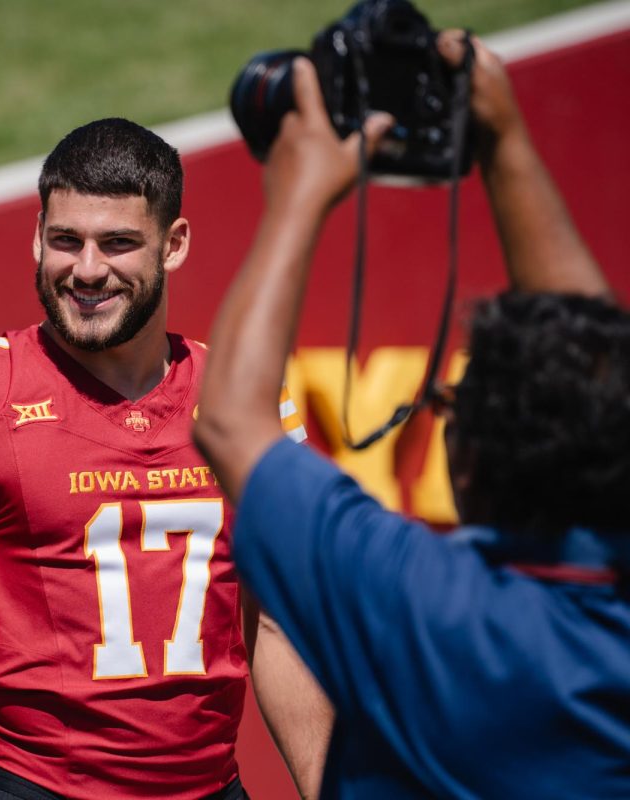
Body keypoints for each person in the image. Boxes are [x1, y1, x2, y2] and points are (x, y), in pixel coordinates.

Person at [193, 31, 630, 799]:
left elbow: (228, 419)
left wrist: (301, 191)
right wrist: (507, 144)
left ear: (466, 462)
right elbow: (594, 369)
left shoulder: (418, 602)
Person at [0, 117, 322, 800]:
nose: (87, 270)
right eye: (65, 241)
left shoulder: (250, 398)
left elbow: (283, 623)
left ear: (173, 245)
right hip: (36, 787)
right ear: (36, 237)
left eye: (117, 243)